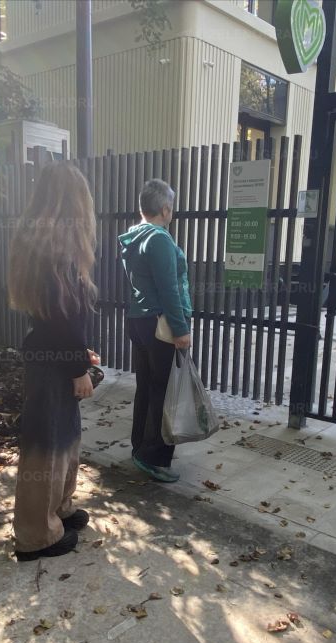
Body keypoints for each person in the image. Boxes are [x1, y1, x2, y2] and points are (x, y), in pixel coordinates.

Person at [8, 162, 100, 561]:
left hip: (53, 356)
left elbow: (58, 317)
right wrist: (78, 368)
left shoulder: (40, 242)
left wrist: (79, 354)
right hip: (52, 365)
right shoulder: (56, 251)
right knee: (46, 445)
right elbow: (62, 316)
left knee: (65, 437)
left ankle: (58, 508)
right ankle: (35, 535)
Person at [119, 179, 192, 483]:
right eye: (170, 207)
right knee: (165, 392)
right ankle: (155, 458)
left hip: (140, 320)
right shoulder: (159, 238)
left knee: (147, 387)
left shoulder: (133, 236)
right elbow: (169, 289)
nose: (171, 212)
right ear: (164, 208)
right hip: (161, 324)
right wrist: (181, 329)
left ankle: (141, 447)